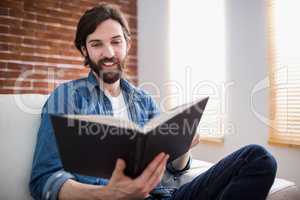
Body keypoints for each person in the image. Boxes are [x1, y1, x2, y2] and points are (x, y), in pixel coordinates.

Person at [29, 3, 277, 200]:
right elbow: (44, 180)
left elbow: (175, 170)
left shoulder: (143, 100)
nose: (109, 53)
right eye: (96, 44)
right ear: (84, 50)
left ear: (127, 43)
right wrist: (107, 195)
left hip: (165, 195)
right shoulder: (66, 98)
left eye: (116, 41)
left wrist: (184, 145)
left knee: (258, 158)